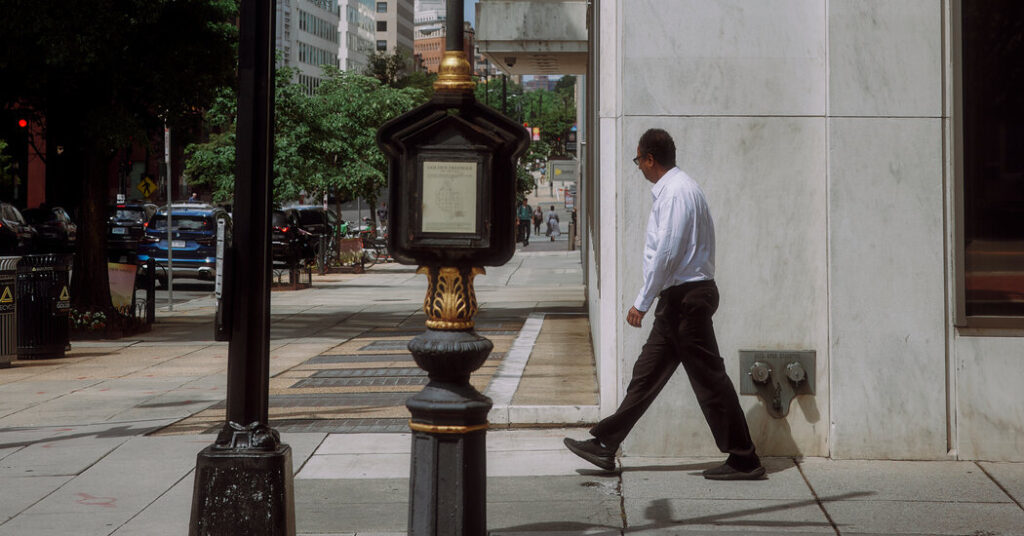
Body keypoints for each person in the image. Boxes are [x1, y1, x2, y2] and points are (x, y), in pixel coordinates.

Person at [563, 128, 764, 480]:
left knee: (711, 381)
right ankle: (606, 444)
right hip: (681, 299)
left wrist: (642, 301)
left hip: (686, 299)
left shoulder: (675, 193)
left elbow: (667, 253)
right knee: (646, 375)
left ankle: (745, 459)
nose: (638, 167)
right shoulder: (683, 188)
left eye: (638, 160)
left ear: (650, 159)